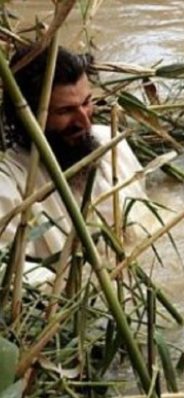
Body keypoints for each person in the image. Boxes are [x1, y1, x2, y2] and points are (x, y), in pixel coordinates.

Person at [0, 46, 147, 279]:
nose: (84, 121)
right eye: (66, 111)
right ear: (26, 117)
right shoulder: (9, 187)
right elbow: (10, 277)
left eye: (87, 102)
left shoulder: (111, 142)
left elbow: (145, 221)